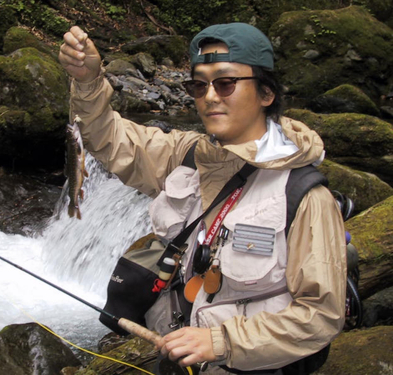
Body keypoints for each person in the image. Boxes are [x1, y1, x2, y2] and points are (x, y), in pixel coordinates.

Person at [59, 23, 346, 374]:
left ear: (266, 93)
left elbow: (321, 316)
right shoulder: (188, 155)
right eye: (198, 85)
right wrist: (88, 81)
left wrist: (220, 342)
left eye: (226, 83)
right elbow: (108, 137)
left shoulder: (305, 194)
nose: (210, 97)